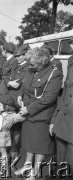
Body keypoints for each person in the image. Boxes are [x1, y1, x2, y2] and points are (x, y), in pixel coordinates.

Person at [16, 47, 63, 180]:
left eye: (33, 64)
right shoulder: (30, 69)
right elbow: (24, 86)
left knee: (40, 145)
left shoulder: (54, 73)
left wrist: (28, 109)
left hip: (41, 116)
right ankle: (27, 165)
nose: (29, 67)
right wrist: (20, 96)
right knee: (29, 143)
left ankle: (36, 171)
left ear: (43, 62)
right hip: (28, 115)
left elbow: (48, 98)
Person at [50, 37, 73, 175]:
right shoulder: (71, 60)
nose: (70, 45)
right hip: (63, 122)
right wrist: (54, 120)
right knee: (61, 165)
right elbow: (65, 94)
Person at [0, 95, 24, 168]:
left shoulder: (12, 116)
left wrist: (22, 107)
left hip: (3, 135)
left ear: (6, 106)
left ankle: (4, 163)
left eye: (0, 104)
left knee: (3, 150)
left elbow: (21, 117)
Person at [6, 44, 30, 159]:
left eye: (19, 56)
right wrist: (9, 82)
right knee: (9, 123)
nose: (17, 58)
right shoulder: (16, 64)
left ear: (25, 55)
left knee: (16, 126)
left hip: (18, 100)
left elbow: (18, 84)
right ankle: (10, 144)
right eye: (16, 56)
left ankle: (14, 148)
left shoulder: (28, 67)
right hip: (10, 97)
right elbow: (7, 77)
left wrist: (11, 82)